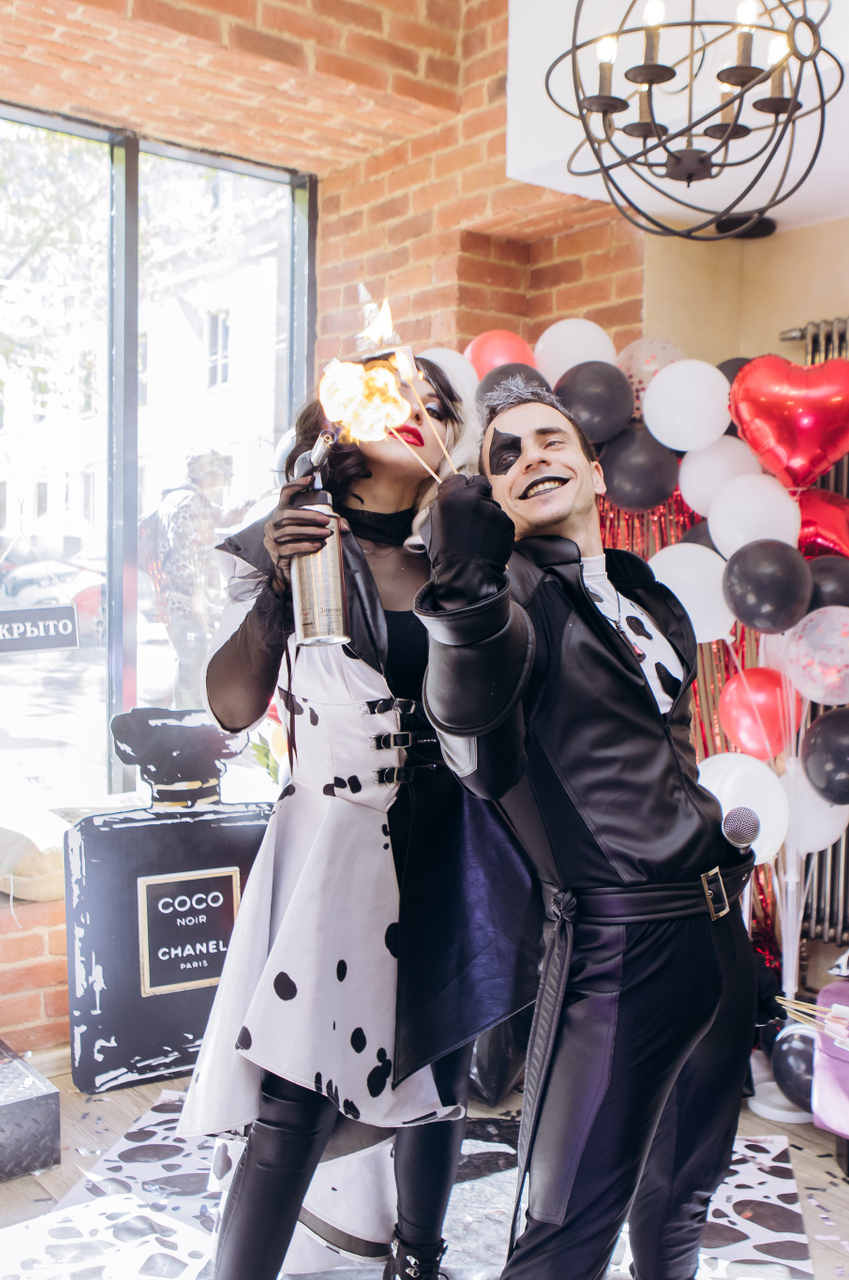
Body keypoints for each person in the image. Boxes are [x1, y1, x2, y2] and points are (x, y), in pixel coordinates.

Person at [179, 358, 538, 1280]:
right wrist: (275, 585)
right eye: (394, 400)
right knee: (295, 1096)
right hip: (335, 845)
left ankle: (418, 1261)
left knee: (439, 1079)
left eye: (435, 405)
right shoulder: (302, 552)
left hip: (451, 840)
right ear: (342, 430)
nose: (418, 412)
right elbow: (231, 707)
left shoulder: (465, 562)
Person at [413, 375, 757, 1279]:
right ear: (492, 498)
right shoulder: (508, 607)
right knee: (563, 1237)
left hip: (720, 937)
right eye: (505, 455)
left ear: (596, 471)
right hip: (617, 954)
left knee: (682, 1201)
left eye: (550, 440)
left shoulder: (645, 594)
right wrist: (463, 594)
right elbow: (474, 750)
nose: (531, 457)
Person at [137, 450, 257, 709]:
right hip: (184, 603)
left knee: (192, 661)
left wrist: (251, 507)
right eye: (220, 475)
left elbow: (220, 517)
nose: (223, 481)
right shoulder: (187, 503)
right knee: (193, 663)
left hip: (178, 600)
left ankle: (190, 716)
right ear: (208, 475)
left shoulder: (185, 499)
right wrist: (196, 597)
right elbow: (183, 557)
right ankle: (189, 718)